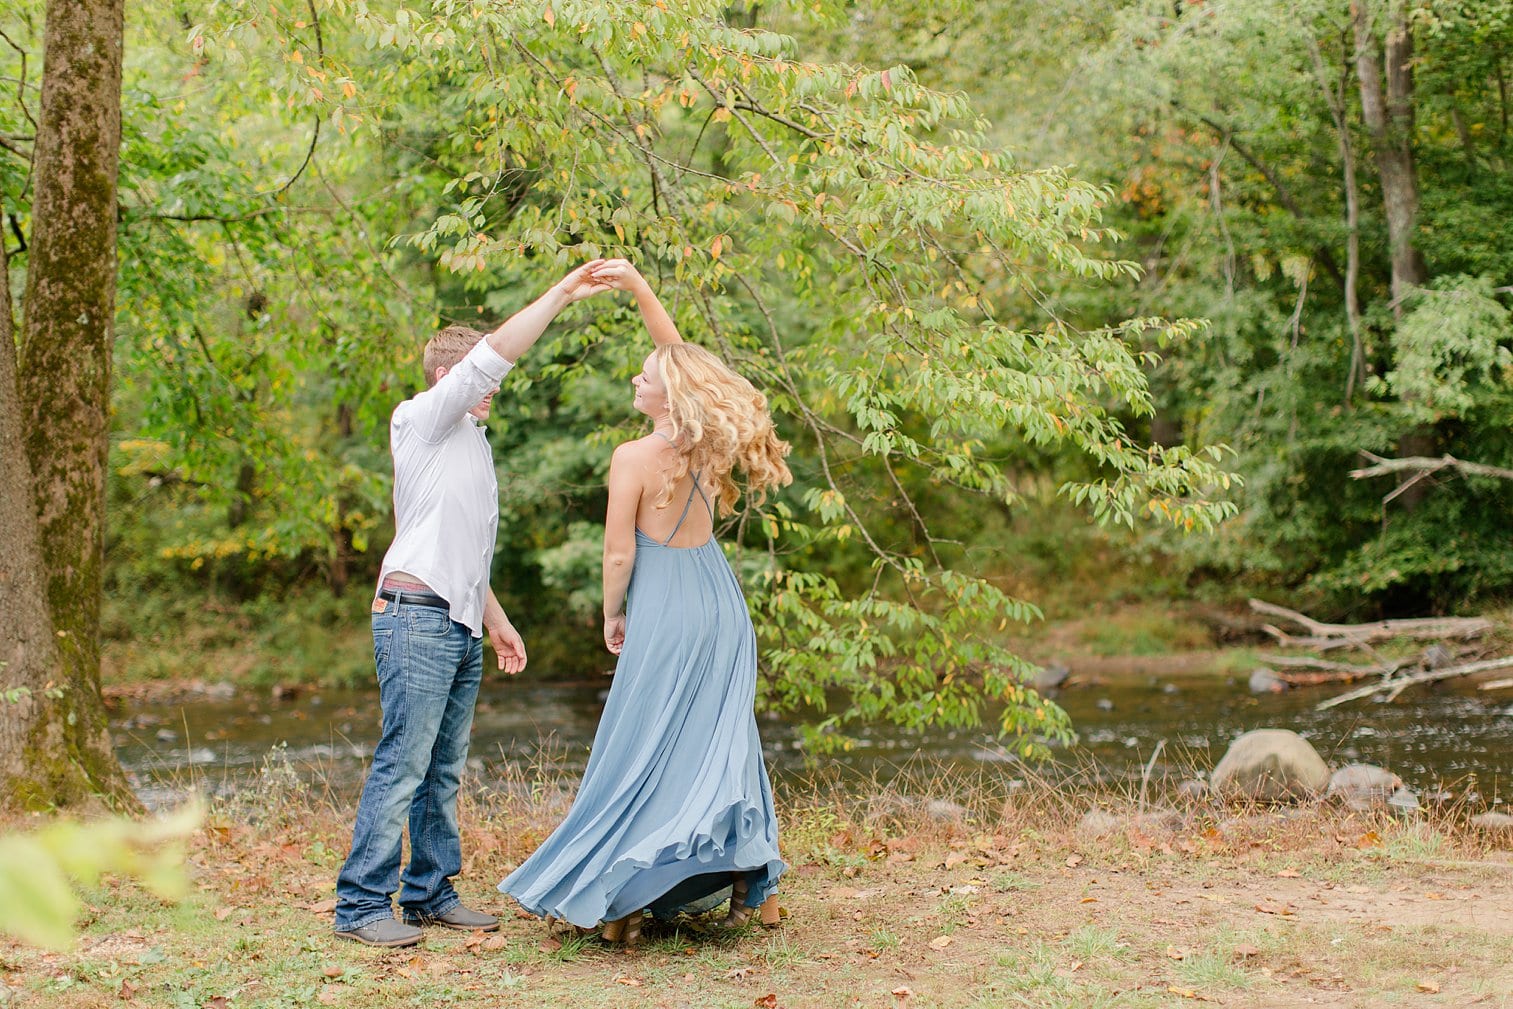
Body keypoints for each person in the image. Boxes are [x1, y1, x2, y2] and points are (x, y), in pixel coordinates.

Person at [499, 259, 791, 944]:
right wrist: (638, 289)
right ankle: (754, 890)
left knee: (644, 744)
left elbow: (617, 554)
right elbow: (680, 359)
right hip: (718, 602)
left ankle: (624, 889)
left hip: (663, 603)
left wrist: (611, 612)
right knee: (724, 742)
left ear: (667, 395)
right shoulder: (704, 442)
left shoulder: (632, 456)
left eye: (644, 375)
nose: (637, 377)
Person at [334, 262, 611, 947]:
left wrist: (498, 621)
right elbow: (493, 356)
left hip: (456, 621)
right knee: (404, 760)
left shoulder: (473, 447)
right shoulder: (420, 420)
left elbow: (462, 550)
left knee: (444, 767)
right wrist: (560, 292)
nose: (489, 388)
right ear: (448, 378)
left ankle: (429, 891)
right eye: (476, 377)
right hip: (414, 617)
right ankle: (361, 904)